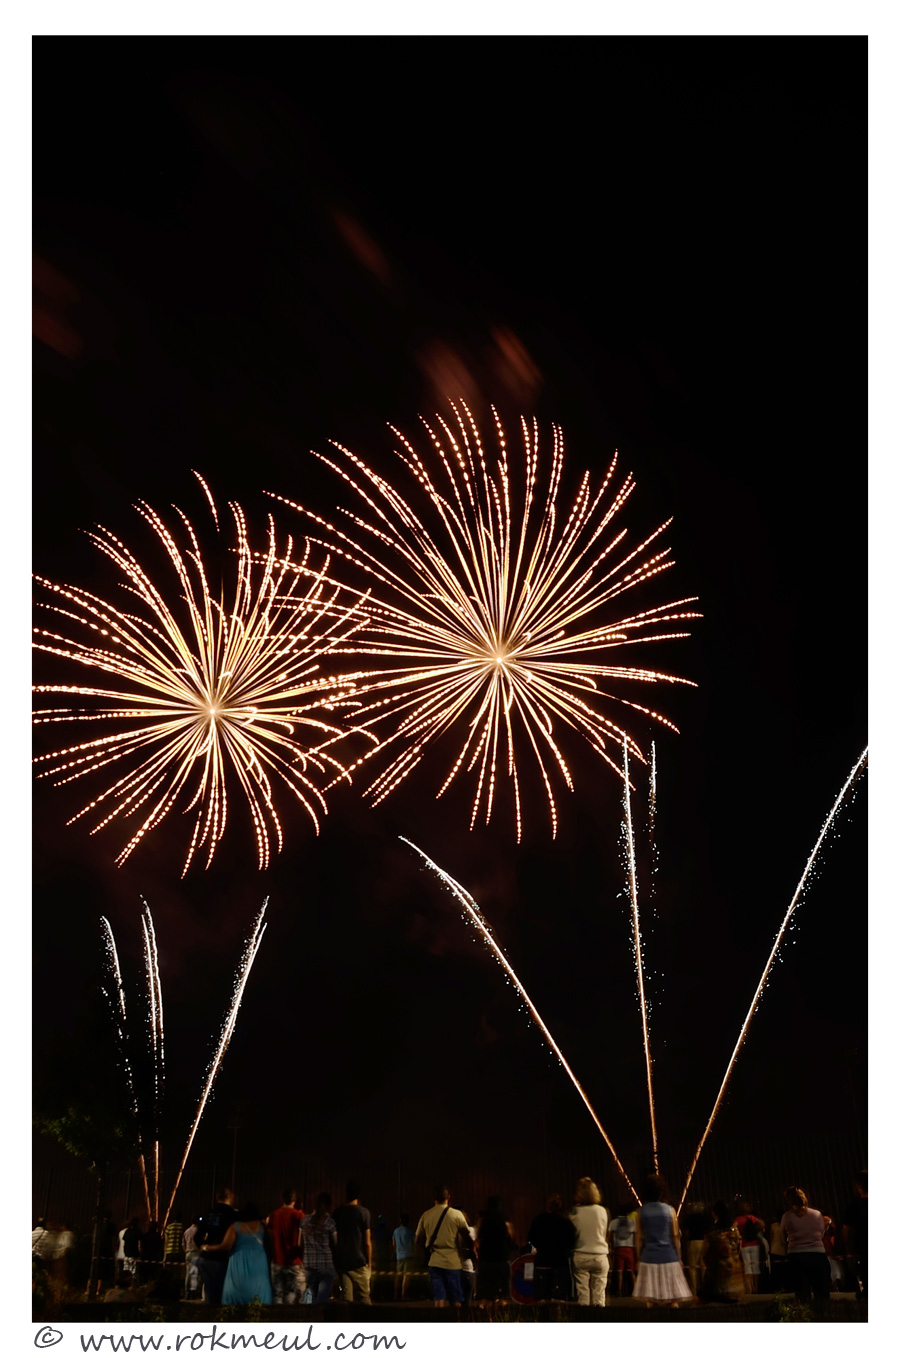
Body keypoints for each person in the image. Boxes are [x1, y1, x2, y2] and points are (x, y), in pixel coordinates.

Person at [632, 1173, 693, 1307]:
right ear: (662, 1191)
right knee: (673, 1300)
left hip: (648, 1258)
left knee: (651, 1300)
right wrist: (679, 1257)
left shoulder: (640, 1212)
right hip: (669, 1257)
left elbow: (639, 1238)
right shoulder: (670, 1210)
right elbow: (675, 1236)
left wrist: (638, 1258)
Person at [415, 1184, 470, 1308]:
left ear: (434, 1199)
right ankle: (456, 1322)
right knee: (456, 1299)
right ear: (448, 1197)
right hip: (453, 1262)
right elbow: (466, 1236)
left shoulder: (426, 1215)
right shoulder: (456, 1214)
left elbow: (417, 1239)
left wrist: (426, 1248)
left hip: (434, 1261)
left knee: (439, 1299)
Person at [781, 1185, 830, 1305]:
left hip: (796, 1256)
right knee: (822, 1293)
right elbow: (821, 1233)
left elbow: (783, 1239)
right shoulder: (817, 1214)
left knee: (802, 1295)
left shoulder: (787, 1217)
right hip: (818, 1255)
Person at [221, 1202, 273, 1306]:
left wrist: (208, 1247)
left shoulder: (235, 1227)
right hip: (259, 1260)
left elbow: (226, 1245)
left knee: (236, 1286)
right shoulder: (263, 1227)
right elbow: (271, 1242)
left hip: (239, 1259)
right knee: (259, 1285)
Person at [569, 1177, 610, 1307]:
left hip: (581, 1254)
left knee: (583, 1295)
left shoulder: (574, 1212)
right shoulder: (602, 1211)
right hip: (600, 1256)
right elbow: (604, 1233)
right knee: (599, 1295)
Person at [528, 1193, 576, 1302]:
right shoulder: (565, 1222)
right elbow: (571, 1242)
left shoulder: (538, 1220)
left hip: (542, 1261)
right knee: (559, 1298)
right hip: (560, 1262)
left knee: (541, 1298)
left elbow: (531, 1237)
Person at [195, 1188, 238, 1307]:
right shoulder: (233, 1214)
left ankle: (209, 1318)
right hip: (223, 1257)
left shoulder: (208, 1212)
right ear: (229, 1197)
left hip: (205, 1258)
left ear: (217, 1197)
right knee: (222, 1294)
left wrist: (203, 1247)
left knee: (209, 1291)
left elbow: (197, 1236)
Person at [332, 1180, 373, 1304]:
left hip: (342, 1261)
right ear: (359, 1195)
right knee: (364, 1296)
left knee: (346, 1298)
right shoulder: (364, 1213)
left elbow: (334, 1239)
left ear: (346, 1194)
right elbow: (367, 1242)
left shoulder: (337, 1212)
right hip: (358, 1261)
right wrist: (369, 1263)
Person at [267, 1189, 306, 1305]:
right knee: (295, 1299)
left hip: (277, 1262)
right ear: (294, 1200)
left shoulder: (274, 1215)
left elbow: (270, 1237)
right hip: (294, 1262)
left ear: (282, 1199)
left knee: (278, 1297)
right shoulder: (299, 1216)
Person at [474, 1195, 515, 1305]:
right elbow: (511, 1238)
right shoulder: (505, 1220)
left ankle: (486, 1316)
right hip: (502, 1258)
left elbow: (479, 1236)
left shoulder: (483, 1220)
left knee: (486, 1294)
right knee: (504, 1292)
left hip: (486, 1259)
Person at [698, 1201, 742, 1303]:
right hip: (735, 1276)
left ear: (714, 1213)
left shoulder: (712, 1232)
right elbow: (739, 1248)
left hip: (717, 1275)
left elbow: (704, 1252)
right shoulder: (734, 1230)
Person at [301, 1193, 338, 1304]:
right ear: (328, 1206)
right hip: (326, 1265)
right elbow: (336, 1244)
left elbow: (300, 1244)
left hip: (309, 1265)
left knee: (311, 1298)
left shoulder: (305, 1221)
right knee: (322, 1301)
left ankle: (310, 1319)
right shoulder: (329, 1222)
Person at [841, 1170, 867, 1299]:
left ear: (859, 1187)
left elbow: (846, 1229)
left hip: (863, 1246)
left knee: (866, 1272)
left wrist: (847, 1247)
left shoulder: (853, 1206)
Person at [607, 1201, 638, 1298]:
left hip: (618, 1248)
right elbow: (636, 1236)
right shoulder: (632, 1222)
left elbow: (610, 1236)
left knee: (619, 1271)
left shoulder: (614, 1222)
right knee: (631, 1271)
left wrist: (611, 1245)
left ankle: (619, 1291)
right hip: (630, 1249)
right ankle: (635, 1291)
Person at [733, 1199, 765, 1293]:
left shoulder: (738, 1219)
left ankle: (749, 1289)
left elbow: (732, 1228)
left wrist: (738, 1234)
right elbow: (762, 1224)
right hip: (755, 1244)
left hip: (744, 1244)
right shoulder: (752, 1218)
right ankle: (756, 1288)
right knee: (755, 1266)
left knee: (747, 1268)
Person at [681, 1202, 709, 1296]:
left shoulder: (689, 1218)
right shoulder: (705, 1218)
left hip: (692, 1242)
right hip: (703, 1242)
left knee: (692, 1267)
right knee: (703, 1266)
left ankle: (694, 1290)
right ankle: (705, 1288)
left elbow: (684, 1229)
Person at [391, 1214, 415, 1301]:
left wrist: (395, 1252)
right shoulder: (410, 1231)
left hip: (399, 1256)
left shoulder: (396, 1231)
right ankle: (403, 1295)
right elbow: (414, 1243)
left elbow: (394, 1244)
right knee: (406, 1276)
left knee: (398, 1276)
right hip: (409, 1255)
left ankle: (395, 1295)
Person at [183, 1218, 202, 1300]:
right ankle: (195, 1293)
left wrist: (186, 1251)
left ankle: (187, 1292)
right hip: (196, 1253)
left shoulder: (186, 1231)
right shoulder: (199, 1231)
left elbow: (183, 1244)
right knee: (196, 1274)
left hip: (188, 1253)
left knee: (188, 1274)